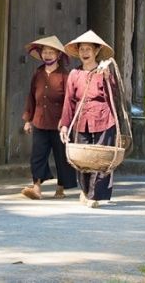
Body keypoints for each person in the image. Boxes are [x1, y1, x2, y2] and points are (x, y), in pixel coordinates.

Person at [59, 30, 119, 208]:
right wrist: (64, 125)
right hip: (81, 118)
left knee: (101, 158)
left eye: (88, 49)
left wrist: (108, 78)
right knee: (82, 159)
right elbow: (68, 101)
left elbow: (113, 96)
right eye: (82, 49)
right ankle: (86, 192)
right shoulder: (74, 74)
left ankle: (95, 196)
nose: (85, 52)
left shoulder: (104, 72)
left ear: (96, 51)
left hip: (103, 117)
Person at [20, 35, 78, 200]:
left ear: (58, 55)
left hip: (59, 124)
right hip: (39, 120)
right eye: (45, 51)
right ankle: (36, 188)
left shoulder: (65, 75)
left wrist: (66, 121)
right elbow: (31, 97)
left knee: (61, 157)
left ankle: (61, 187)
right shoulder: (38, 73)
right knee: (37, 155)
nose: (47, 55)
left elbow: (69, 100)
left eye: (51, 52)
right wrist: (28, 120)